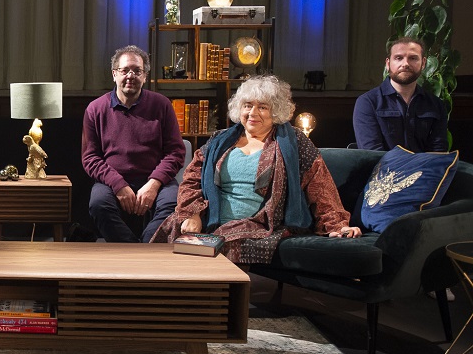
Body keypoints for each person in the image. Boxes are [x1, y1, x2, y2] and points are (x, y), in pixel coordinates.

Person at [152, 75, 361, 263]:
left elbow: (320, 186)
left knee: (222, 245)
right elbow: (192, 179)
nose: (253, 113)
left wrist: (337, 226)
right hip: (209, 219)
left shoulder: (295, 143)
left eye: (262, 107)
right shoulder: (220, 140)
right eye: (247, 105)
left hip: (259, 225)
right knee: (167, 234)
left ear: (276, 111)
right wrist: (193, 214)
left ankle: (219, 302)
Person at [82, 45, 186, 243]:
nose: (131, 75)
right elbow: (90, 158)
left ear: (145, 76)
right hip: (112, 180)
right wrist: (118, 184)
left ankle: (144, 252)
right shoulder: (95, 109)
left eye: (137, 71)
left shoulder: (162, 105)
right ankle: (132, 250)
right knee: (98, 204)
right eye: (125, 70)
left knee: (174, 205)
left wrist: (154, 184)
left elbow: (175, 152)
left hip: (155, 179)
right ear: (114, 74)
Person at [353, 37, 448, 151]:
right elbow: (372, 152)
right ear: (388, 64)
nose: (405, 64)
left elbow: (438, 151)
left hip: (425, 168)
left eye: (413, 58)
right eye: (398, 58)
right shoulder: (368, 102)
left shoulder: (435, 104)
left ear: (423, 63)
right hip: (384, 168)